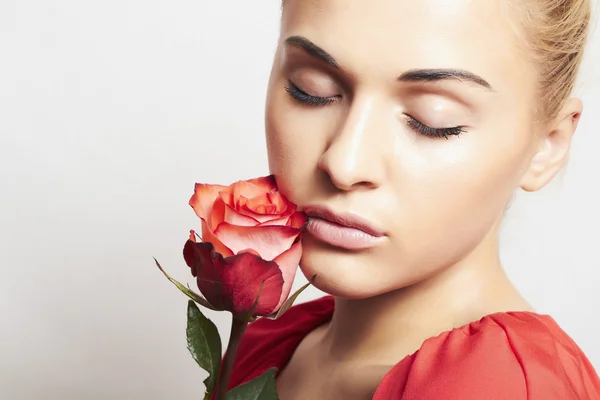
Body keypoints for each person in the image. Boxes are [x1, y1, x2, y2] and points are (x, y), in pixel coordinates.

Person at [226, 0, 600, 398]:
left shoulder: (503, 386)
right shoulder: (267, 345)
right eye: (310, 90)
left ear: (547, 145)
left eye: (432, 121)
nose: (344, 164)